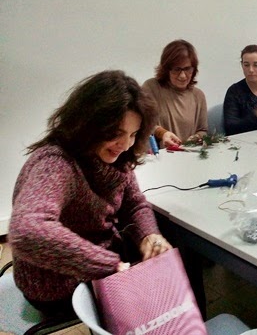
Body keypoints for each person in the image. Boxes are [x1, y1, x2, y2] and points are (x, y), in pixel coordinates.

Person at [9, 70, 172, 317]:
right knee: (158, 294)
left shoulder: (118, 159)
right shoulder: (55, 163)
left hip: (99, 259)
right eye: (116, 133)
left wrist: (149, 235)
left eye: (133, 134)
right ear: (89, 125)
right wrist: (106, 265)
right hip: (57, 284)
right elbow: (27, 231)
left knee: (168, 245)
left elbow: (134, 204)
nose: (126, 144)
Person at [142, 39, 208, 148]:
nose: (182, 75)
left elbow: (203, 131)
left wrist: (195, 138)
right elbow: (142, 123)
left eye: (187, 69)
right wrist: (162, 133)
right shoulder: (151, 87)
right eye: (177, 69)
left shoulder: (198, 95)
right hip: (160, 154)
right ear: (166, 69)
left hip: (188, 153)